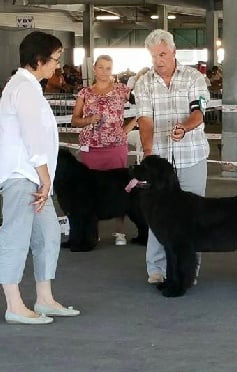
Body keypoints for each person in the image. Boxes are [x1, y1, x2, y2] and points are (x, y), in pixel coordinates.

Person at [0, 31, 80, 325]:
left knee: (48, 235)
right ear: (38, 60)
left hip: (34, 179)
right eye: (55, 60)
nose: (57, 66)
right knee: (15, 238)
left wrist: (44, 180)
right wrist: (46, 180)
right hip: (24, 178)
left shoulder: (28, 87)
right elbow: (33, 138)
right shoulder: (23, 88)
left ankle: (44, 299)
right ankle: (14, 304)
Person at [133, 29, 210, 284]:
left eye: (163, 54)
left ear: (174, 51)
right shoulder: (143, 83)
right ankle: (156, 268)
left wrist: (184, 127)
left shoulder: (194, 78)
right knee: (157, 214)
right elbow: (144, 119)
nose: (158, 60)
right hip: (160, 160)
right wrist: (147, 153)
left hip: (192, 156)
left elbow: (198, 113)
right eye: (154, 56)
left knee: (192, 216)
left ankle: (189, 270)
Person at [70, 55, 134, 246]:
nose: (105, 72)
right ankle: (93, 231)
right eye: (101, 67)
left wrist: (125, 130)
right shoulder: (84, 93)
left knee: (120, 188)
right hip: (91, 148)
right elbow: (74, 119)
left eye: (108, 68)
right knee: (92, 190)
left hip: (116, 147)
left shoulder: (122, 90)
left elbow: (144, 109)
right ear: (94, 69)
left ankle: (120, 231)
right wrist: (88, 120)